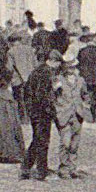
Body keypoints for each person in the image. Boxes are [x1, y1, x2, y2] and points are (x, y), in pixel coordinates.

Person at [20, 52, 60, 181]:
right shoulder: (46, 73)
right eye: (58, 63)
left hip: (34, 110)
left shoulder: (38, 70)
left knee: (37, 139)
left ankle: (26, 167)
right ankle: (41, 171)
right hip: (41, 111)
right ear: (53, 61)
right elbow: (42, 95)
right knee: (42, 141)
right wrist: (50, 110)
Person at [53, 49, 92, 179]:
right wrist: (57, 108)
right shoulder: (58, 80)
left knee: (75, 143)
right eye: (69, 66)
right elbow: (52, 96)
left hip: (77, 115)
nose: (71, 69)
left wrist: (86, 105)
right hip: (63, 114)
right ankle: (63, 167)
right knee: (65, 142)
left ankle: (72, 167)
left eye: (73, 66)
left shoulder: (80, 80)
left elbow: (85, 95)